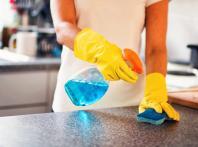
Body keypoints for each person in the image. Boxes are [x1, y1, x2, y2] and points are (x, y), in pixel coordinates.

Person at [50, 0, 179, 121]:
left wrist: (155, 90)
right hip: (77, 96)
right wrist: (100, 51)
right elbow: (63, 28)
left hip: (130, 106)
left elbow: (156, 49)